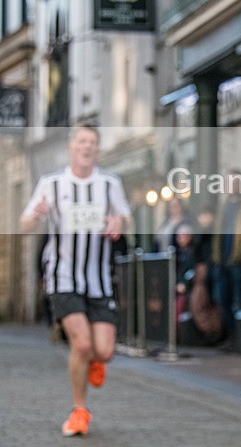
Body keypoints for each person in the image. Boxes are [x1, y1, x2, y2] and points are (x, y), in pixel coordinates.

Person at [19, 124, 131, 437]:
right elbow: (25, 224)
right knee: (81, 344)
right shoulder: (51, 183)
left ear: (97, 149)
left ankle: (96, 360)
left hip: (99, 279)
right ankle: (79, 410)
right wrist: (36, 214)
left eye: (92, 142)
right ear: (70, 147)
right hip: (63, 276)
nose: (86, 146)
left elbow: (126, 219)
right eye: (81, 141)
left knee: (104, 351)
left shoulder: (110, 184)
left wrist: (118, 222)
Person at [211, 170, 241, 344]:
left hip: (238, 260)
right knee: (222, 298)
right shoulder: (223, 206)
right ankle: (230, 334)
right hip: (222, 259)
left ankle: (240, 337)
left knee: (239, 300)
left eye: (235, 182)